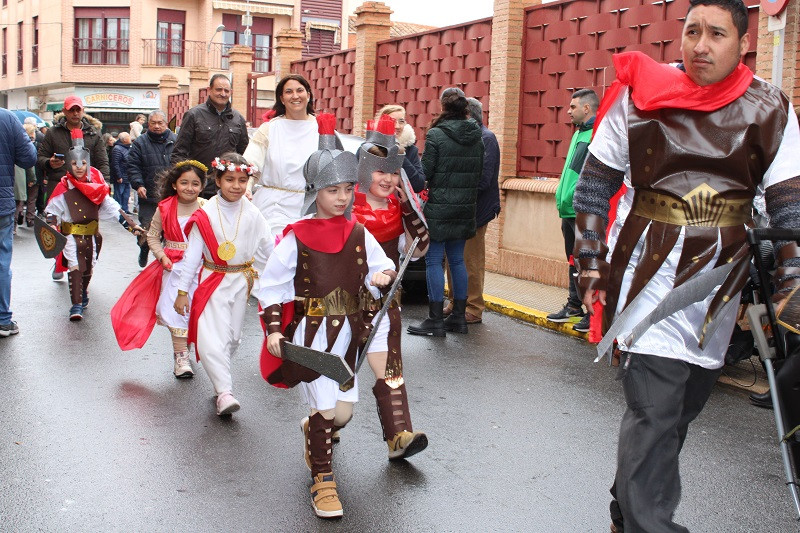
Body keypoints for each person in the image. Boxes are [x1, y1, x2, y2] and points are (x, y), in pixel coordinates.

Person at [571, 1, 800, 531]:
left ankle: (624, 509)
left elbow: (789, 202)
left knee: (678, 411)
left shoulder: (771, 107)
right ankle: (651, 522)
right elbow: (594, 183)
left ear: (742, 43)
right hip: (645, 272)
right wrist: (590, 261)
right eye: (691, 30)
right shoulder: (638, 95)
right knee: (654, 408)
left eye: (716, 33)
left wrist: (791, 280)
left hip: (719, 282)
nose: (700, 44)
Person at [257, 115, 397, 518]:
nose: (341, 197)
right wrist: (272, 330)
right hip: (312, 336)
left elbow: (377, 264)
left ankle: (313, 434)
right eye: (333, 190)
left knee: (343, 413)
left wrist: (382, 274)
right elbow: (271, 287)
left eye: (347, 189)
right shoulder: (295, 236)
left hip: (349, 336)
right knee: (323, 410)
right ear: (315, 190)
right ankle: (323, 481)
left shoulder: (357, 232)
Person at [351, 115, 430, 459]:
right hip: (341, 303)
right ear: (364, 169)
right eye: (380, 169)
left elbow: (419, 249)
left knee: (391, 369)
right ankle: (322, 426)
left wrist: (411, 212)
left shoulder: (400, 206)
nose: (387, 178)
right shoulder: (340, 203)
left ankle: (398, 437)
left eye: (393, 171)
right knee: (334, 378)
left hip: (384, 301)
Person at [173, 153, 269, 416]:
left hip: (242, 281)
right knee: (211, 339)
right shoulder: (205, 214)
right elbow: (192, 255)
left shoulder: (253, 213)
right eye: (229, 179)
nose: (236, 186)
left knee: (232, 338)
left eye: (242, 180)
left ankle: (220, 381)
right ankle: (225, 392)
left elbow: (267, 248)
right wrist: (182, 291)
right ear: (217, 180)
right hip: (212, 280)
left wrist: (280, 278)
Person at [111, 160, 207, 379]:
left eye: (195, 183)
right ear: (174, 184)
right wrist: (161, 255)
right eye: (184, 183)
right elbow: (153, 236)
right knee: (176, 311)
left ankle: (187, 350)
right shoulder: (164, 207)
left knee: (196, 311)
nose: (189, 188)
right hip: (173, 266)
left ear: (202, 186)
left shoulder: (206, 207)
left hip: (201, 268)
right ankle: (180, 357)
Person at [408, 87, 483, 337]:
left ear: (442, 107)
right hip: (465, 207)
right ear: (465, 109)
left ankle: (435, 320)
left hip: (440, 207)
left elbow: (425, 173)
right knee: (458, 259)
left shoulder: (436, 135)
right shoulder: (477, 136)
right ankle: (459, 318)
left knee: (433, 260)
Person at [44, 129, 143, 321]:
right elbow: (51, 212)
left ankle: (83, 292)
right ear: (69, 165)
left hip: (91, 235)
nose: (79, 167)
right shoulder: (63, 187)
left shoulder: (96, 187)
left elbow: (113, 208)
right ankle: (76, 304)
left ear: (88, 164)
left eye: (82, 163)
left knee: (88, 268)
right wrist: (51, 228)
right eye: (74, 163)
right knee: (75, 266)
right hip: (70, 235)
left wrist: (132, 226)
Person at [38, 96, 110, 279]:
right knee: (59, 227)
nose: (75, 113)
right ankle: (60, 260)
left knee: (84, 228)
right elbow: (40, 158)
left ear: (82, 111)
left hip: (86, 188)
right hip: (59, 185)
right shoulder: (53, 133)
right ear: (64, 111)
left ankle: (83, 265)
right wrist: (50, 162)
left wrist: (105, 183)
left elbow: (102, 161)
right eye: (71, 110)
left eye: (78, 109)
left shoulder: (93, 133)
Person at [444, 97, 500, 325]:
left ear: (469, 115)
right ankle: (455, 301)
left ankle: (474, 307)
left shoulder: (487, 139)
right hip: (457, 209)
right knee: (453, 258)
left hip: (476, 211)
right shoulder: (464, 138)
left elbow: (484, 179)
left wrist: (455, 191)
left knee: (471, 260)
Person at [546, 89, 598, 333]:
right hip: (568, 211)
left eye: (573, 107)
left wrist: (573, 199)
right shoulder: (579, 134)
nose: (568, 111)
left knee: (586, 261)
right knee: (573, 260)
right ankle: (574, 306)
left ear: (586, 108)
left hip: (581, 210)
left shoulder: (594, 135)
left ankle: (592, 312)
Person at [243, 74, 318, 240]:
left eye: (300, 90)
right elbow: (250, 165)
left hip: (311, 207)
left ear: (308, 95)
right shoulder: (269, 129)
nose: (295, 96)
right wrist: (247, 187)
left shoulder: (322, 129)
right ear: (282, 99)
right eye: (289, 92)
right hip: (273, 206)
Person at [171, 74, 249, 199]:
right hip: (199, 188)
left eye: (226, 91)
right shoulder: (194, 115)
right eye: (219, 89)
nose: (222, 94)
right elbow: (179, 151)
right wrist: (185, 181)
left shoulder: (238, 119)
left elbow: (244, 154)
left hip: (227, 189)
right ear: (209, 90)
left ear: (231, 92)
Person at [0, 108, 37, 336]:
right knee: (2, 260)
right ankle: (3, 319)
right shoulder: (7, 118)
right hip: (1, 203)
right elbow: (28, 158)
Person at [128, 110, 177, 268]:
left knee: (169, 231)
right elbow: (133, 166)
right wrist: (138, 184)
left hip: (170, 195)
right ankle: (144, 248)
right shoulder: (140, 143)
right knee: (147, 229)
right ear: (148, 124)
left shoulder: (175, 140)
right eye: (153, 123)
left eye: (160, 123)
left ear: (166, 123)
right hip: (148, 195)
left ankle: (164, 261)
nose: (157, 126)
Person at [374, 104, 426, 192]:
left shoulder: (410, 150)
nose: (397, 126)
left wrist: (399, 154)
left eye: (401, 121)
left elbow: (419, 185)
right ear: (382, 123)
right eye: (392, 121)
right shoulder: (370, 148)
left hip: (398, 204)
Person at [111, 132, 132, 213]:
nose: (130, 138)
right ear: (124, 140)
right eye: (128, 137)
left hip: (127, 175)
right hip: (121, 176)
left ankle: (125, 209)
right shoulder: (117, 149)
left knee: (126, 194)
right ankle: (118, 210)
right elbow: (115, 164)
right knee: (119, 193)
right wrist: (118, 176)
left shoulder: (128, 148)